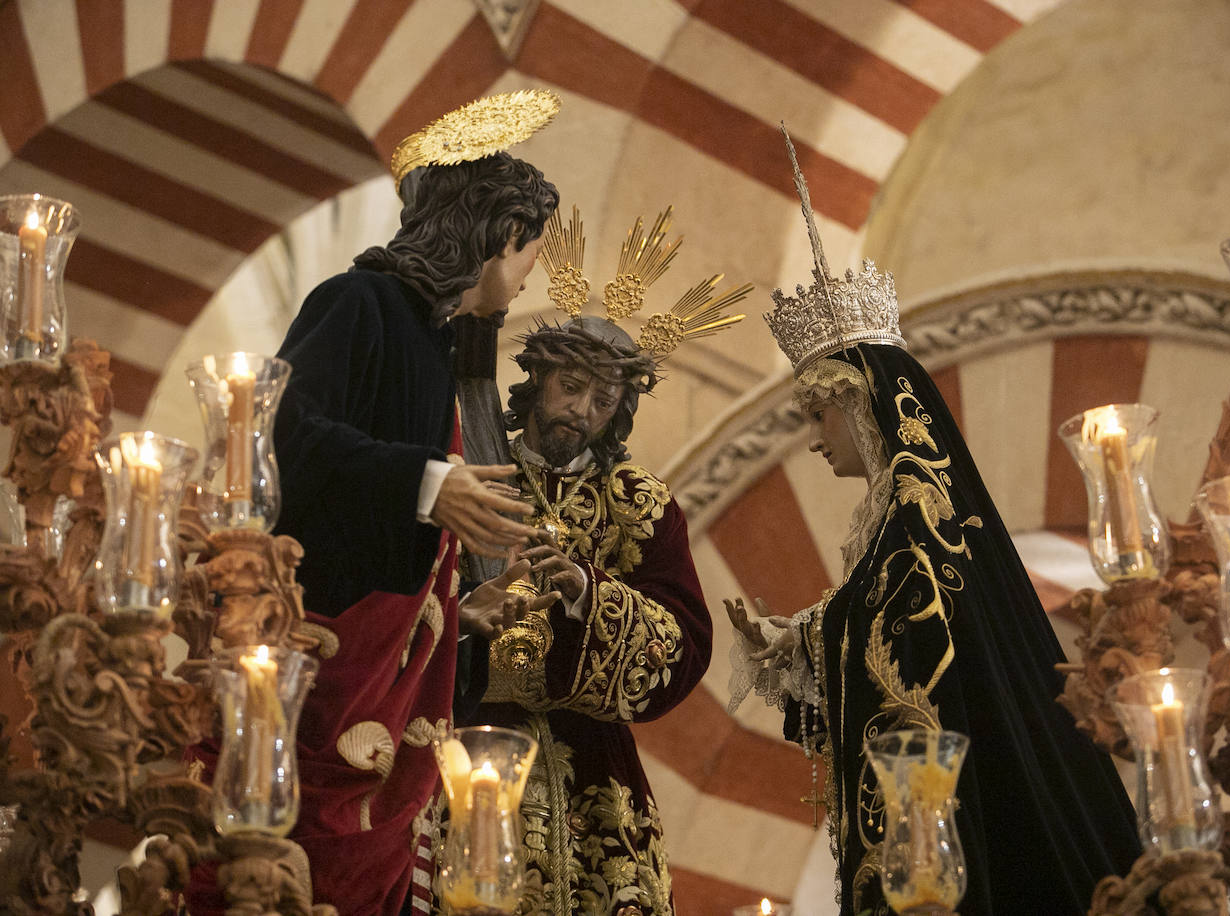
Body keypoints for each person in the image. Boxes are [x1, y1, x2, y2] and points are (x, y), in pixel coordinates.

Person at [726, 133, 1141, 916]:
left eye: (820, 415)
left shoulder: (919, 507)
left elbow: (910, 623)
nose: (814, 439)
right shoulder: (893, 516)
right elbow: (892, 625)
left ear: (862, 405)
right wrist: (801, 644)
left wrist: (809, 640)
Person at [186, 90, 562, 916]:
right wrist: (430, 481)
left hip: (390, 693)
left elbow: (375, 530)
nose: (533, 270)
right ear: (500, 237)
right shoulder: (358, 305)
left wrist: (458, 609)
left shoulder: (436, 345)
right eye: (533, 248)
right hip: (323, 670)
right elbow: (280, 433)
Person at [471, 207, 747, 915]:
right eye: (571, 389)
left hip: (595, 784)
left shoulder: (640, 506)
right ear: (538, 382)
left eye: (603, 398)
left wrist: (590, 596)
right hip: (467, 743)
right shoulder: (474, 468)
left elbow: (686, 643)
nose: (582, 411)